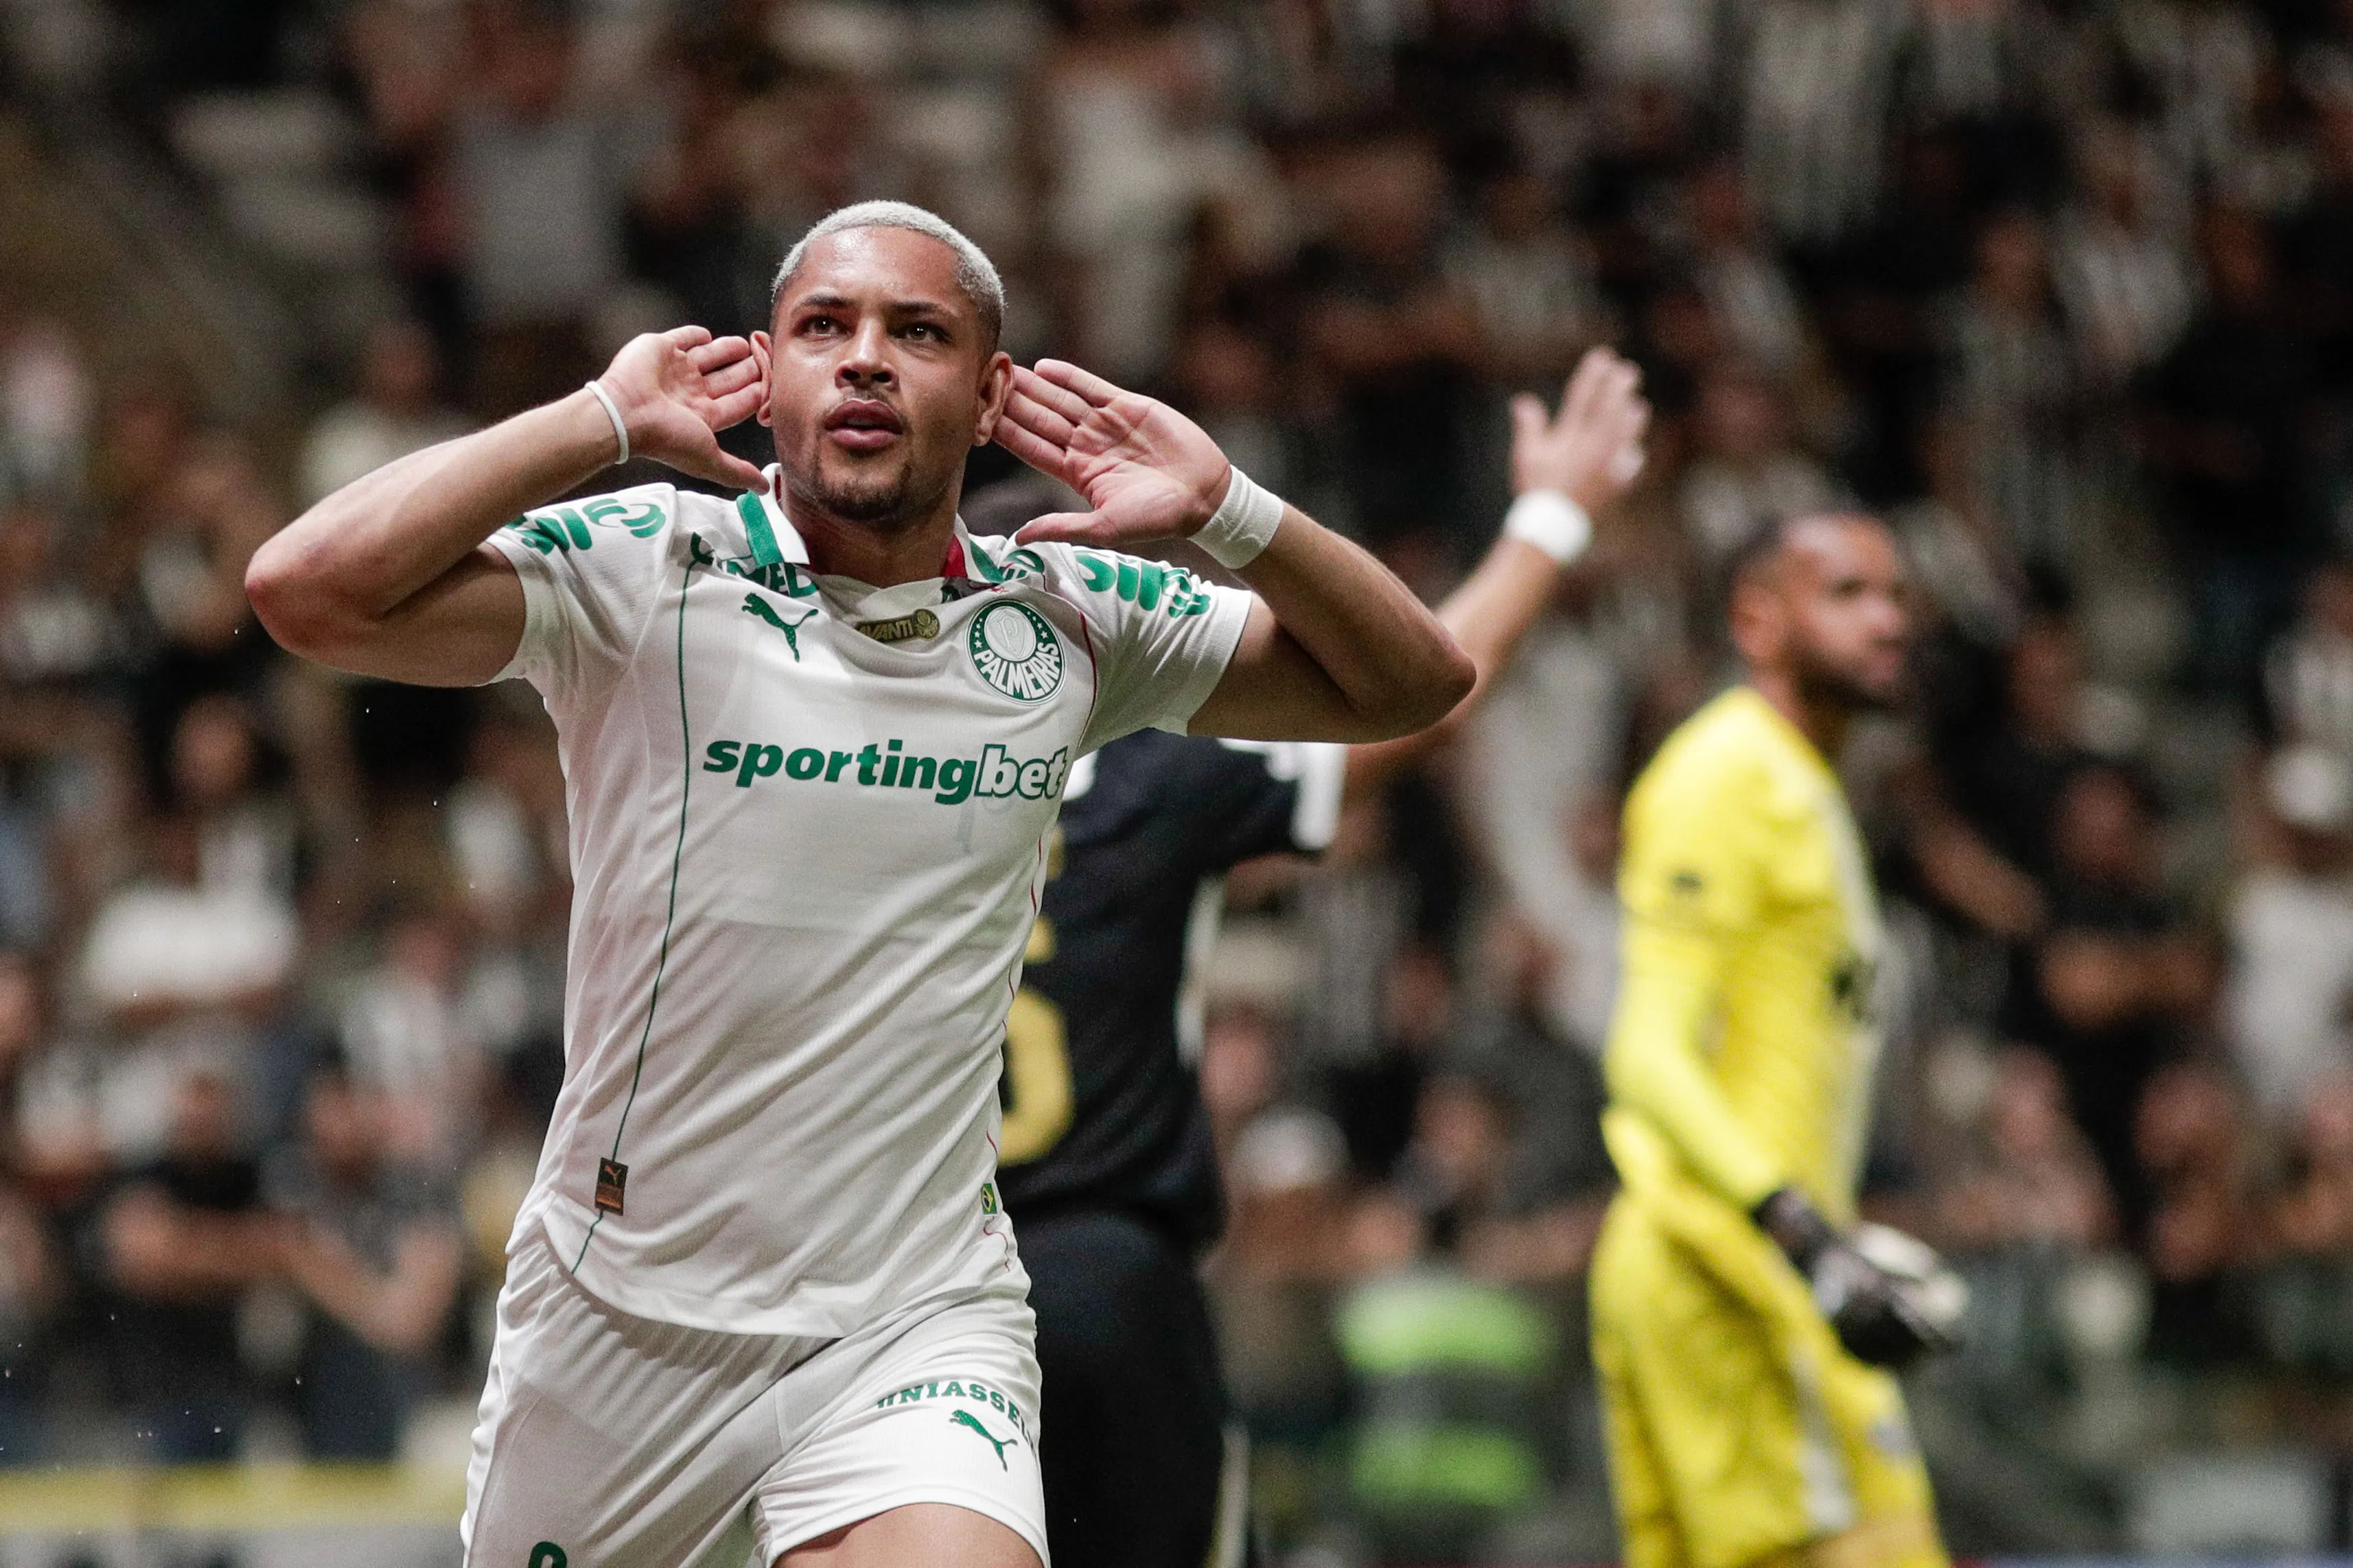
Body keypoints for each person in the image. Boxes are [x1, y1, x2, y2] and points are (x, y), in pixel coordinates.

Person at [244, 200, 1472, 1568]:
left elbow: (1411, 682)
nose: (867, 359)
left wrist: (1233, 510)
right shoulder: (649, 564)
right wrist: (593, 418)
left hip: (911, 1314)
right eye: (824, 328)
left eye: (919, 332)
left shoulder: (1067, 613)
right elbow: (304, 591)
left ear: (993, 393)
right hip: (620, 1322)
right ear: (766, 373)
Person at [999, 349, 1647, 1568]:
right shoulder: (1144, 771)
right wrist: (1553, 517)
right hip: (1109, 1264)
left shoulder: (848, 765)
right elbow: (1420, 694)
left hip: (909, 1280)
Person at [1589, 511, 1960, 1568]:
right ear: (1758, 620)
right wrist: (1809, 1239)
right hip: (1730, 1273)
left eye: (1895, 596)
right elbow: (1645, 1054)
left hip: (1724, 1267)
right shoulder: (1726, 777)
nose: (1888, 622)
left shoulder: (1804, 784)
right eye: (1846, 594)